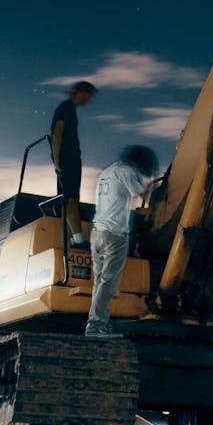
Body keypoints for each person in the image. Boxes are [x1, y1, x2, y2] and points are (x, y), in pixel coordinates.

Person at [85, 145, 158, 338]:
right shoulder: (127, 171)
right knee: (109, 282)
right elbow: (143, 194)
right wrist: (153, 185)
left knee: (99, 282)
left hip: (97, 233)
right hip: (114, 235)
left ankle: (98, 323)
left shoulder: (108, 171)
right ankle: (96, 325)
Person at [50, 80, 97, 248]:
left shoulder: (69, 109)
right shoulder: (66, 109)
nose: (89, 101)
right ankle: (78, 239)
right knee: (72, 199)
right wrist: (57, 161)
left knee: (66, 199)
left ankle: (71, 238)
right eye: (89, 97)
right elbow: (57, 133)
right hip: (68, 159)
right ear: (81, 93)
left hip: (67, 158)